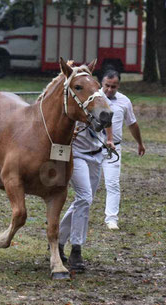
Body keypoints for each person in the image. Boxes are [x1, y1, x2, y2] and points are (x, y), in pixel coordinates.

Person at [59, 122, 114, 272]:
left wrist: (109, 138)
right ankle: (76, 250)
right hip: (76, 155)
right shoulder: (75, 100)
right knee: (84, 197)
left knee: (84, 201)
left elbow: (107, 118)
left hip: (97, 154)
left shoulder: (100, 99)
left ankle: (58, 240)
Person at [100, 70, 145, 230]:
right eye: (107, 86)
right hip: (93, 147)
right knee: (88, 185)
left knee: (112, 183)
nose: (110, 89)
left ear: (118, 85)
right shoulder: (94, 98)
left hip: (114, 148)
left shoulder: (124, 101)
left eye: (114, 86)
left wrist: (139, 143)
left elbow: (132, 123)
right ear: (102, 84)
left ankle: (111, 218)